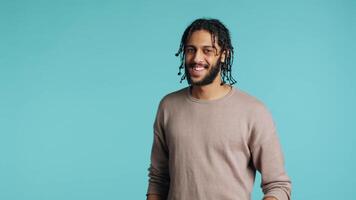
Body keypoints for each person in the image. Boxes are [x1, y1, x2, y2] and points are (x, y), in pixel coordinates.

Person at [146, 18, 292, 200]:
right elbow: (158, 179)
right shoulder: (168, 106)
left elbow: (278, 185)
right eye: (191, 50)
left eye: (207, 50)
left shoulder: (253, 111)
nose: (197, 58)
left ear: (224, 55)